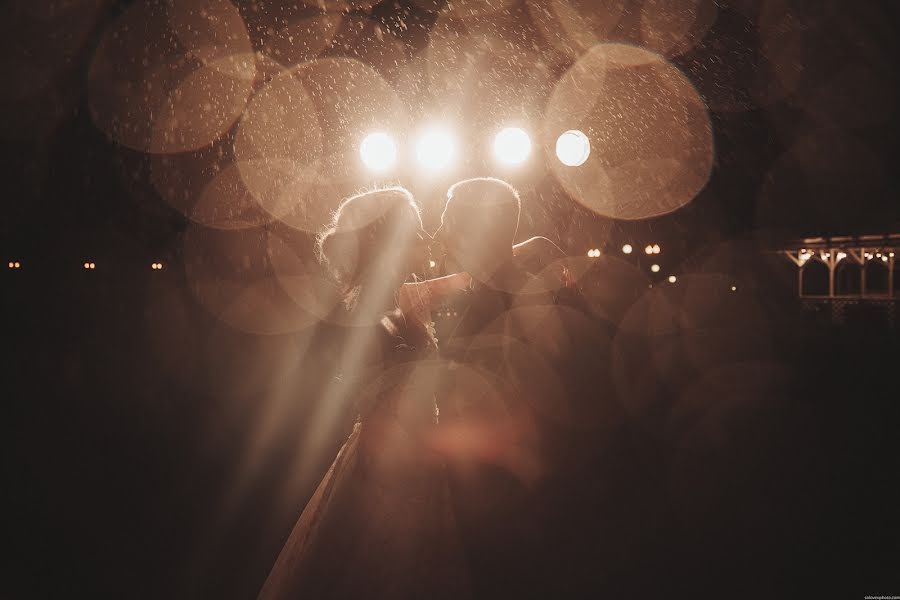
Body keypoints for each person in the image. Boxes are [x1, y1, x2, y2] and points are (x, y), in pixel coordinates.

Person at [257, 187, 470, 600]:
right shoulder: (376, 302)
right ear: (384, 236)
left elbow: (474, 274)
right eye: (411, 225)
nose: (422, 233)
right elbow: (370, 389)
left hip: (411, 449)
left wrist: (533, 247)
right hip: (390, 457)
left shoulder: (401, 290)